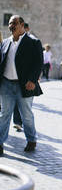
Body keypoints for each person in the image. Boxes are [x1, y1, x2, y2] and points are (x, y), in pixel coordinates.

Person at [0, 15, 43, 155]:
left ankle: (31, 139)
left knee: (26, 115)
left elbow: (38, 63)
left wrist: (33, 80)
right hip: (6, 84)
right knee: (4, 114)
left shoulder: (33, 42)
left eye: (14, 23)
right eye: (9, 23)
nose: (11, 25)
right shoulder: (5, 42)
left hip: (24, 85)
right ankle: (0, 143)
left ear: (22, 25)